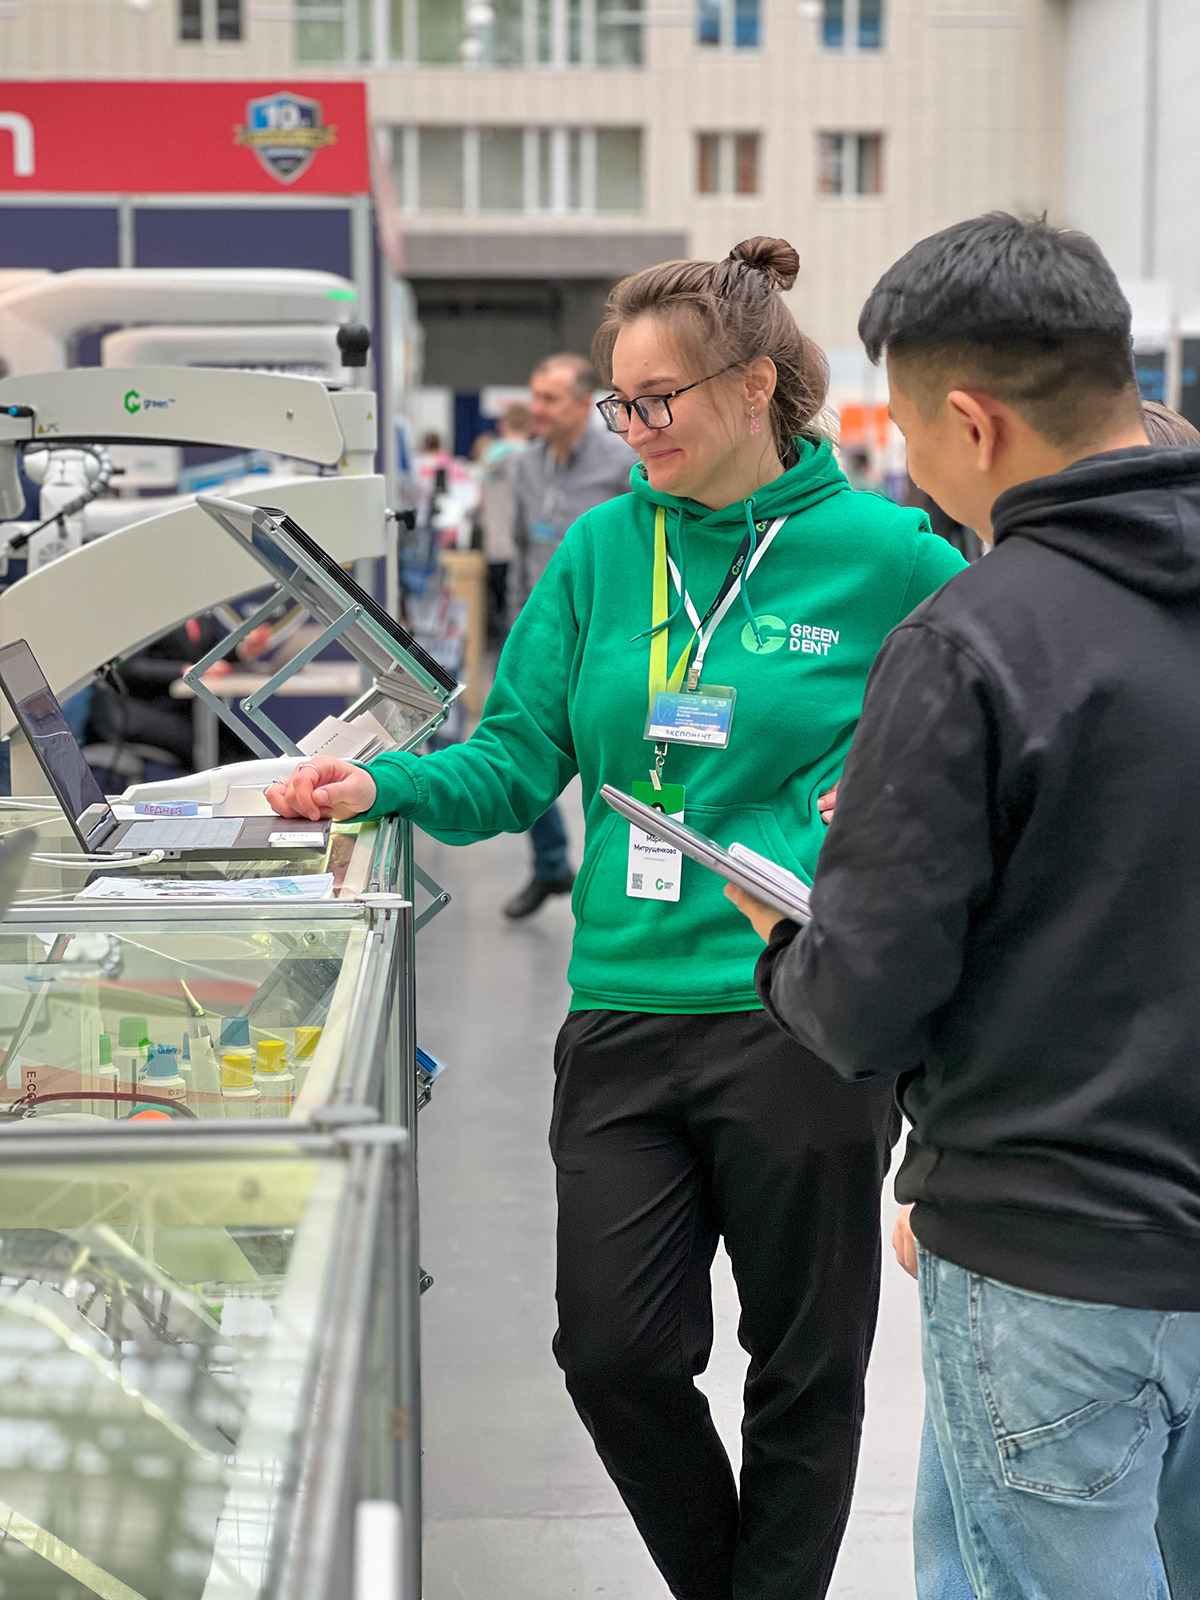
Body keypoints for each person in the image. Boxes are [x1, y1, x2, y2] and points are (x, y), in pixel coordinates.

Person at [264, 235, 965, 1600]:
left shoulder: (892, 559)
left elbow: (984, 744)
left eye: (656, 400)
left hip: (806, 1018)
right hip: (624, 1013)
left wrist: (884, 811)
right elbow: (515, 759)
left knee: (806, 1369)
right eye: (618, 403)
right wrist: (382, 784)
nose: (630, 429)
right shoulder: (600, 548)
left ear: (754, 384)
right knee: (613, 1354)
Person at [730, 213, 1200, 1600]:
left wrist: (791, 944)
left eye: (913, 432)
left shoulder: (972, 639)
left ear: (975, 423)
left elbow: (867, 1001)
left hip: (1051, 1250)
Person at [501, 352, 636, 919]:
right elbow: (520, 551)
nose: (536, 408)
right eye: (534, 395)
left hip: (608, 638)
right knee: (522, 749)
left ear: (584, 404)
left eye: (549, 398)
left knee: (616, 759)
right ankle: (551, 863)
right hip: (542, 635)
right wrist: (516, 627)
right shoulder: (525, 466)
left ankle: (621, 883)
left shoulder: (622, 464)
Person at [477, 401, 531, 641]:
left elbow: (479, 503)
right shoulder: (535, 459)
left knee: (502, 614)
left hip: (495, 545)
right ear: (530, 426)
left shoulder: (488, 458)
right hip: (526, 547)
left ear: (502, 425)